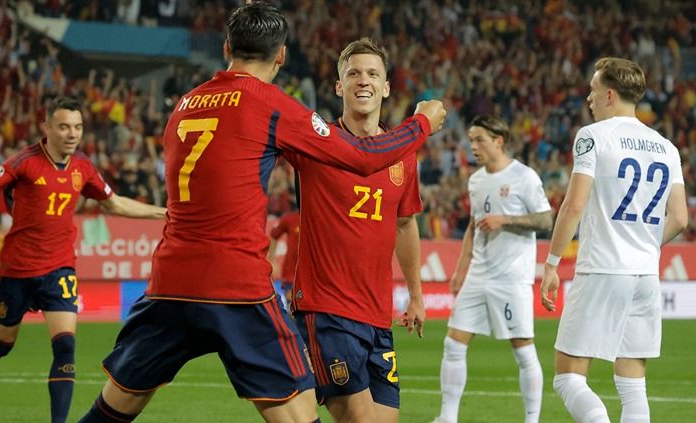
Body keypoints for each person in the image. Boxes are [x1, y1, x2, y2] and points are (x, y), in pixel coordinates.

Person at [77, 3, 446, 423]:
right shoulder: (272, 105)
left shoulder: (185, 104)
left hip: (168, 283)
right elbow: (361, 159)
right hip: (236, 287)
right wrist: (419, 126)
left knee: (113, 408)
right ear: (282, 55)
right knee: (300, 412)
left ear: (226, 47)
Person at [0, 96, 166, 422]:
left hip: (59, 267)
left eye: (77, 127)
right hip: (17, 269)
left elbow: (116, 203)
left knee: (65, 347)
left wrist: (164, 212)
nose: (72, 133)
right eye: (64, 126)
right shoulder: (24, 162)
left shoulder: (83, 166)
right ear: (47, 127)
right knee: (2, 342)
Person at [282, 37, 426, 423]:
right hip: (326, 310)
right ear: (338, 86)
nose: (363, 81)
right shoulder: (315, 142)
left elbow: (406, 222)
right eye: (353, 73)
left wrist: (415, 293)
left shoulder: (402, 154)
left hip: (378, 316)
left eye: (373, 74)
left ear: (386, 87)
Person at [541, 57, 687, 423]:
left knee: (568, 377)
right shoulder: (666, 147)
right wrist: (646, 244)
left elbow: (573, 205)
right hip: (645, 276)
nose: (588, 99)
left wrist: (552, 263)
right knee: (633, 386)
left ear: (609, 94)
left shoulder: (593, 136)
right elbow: (681, 218)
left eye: (592, 91)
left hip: (603, 268)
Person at [433, 115, 553, 423]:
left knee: (523, 350)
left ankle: (532, 419)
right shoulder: (476, 180)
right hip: (478, 274)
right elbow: (474, 226)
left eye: (479, 140)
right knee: (453, 342)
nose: (473, 146)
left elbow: (545, 220)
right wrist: (461, 268)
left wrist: (506, 220)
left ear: (498, 141)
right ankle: (447, 418)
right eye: (471, 140)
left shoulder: (524, 177)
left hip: (511, 277)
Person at [268, 204, 300, 307]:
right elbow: (274, 235)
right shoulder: (290, 219)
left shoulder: (317, 219)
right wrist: (272, 259)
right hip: (291, 276)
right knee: (293, 309)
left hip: (311, 277)